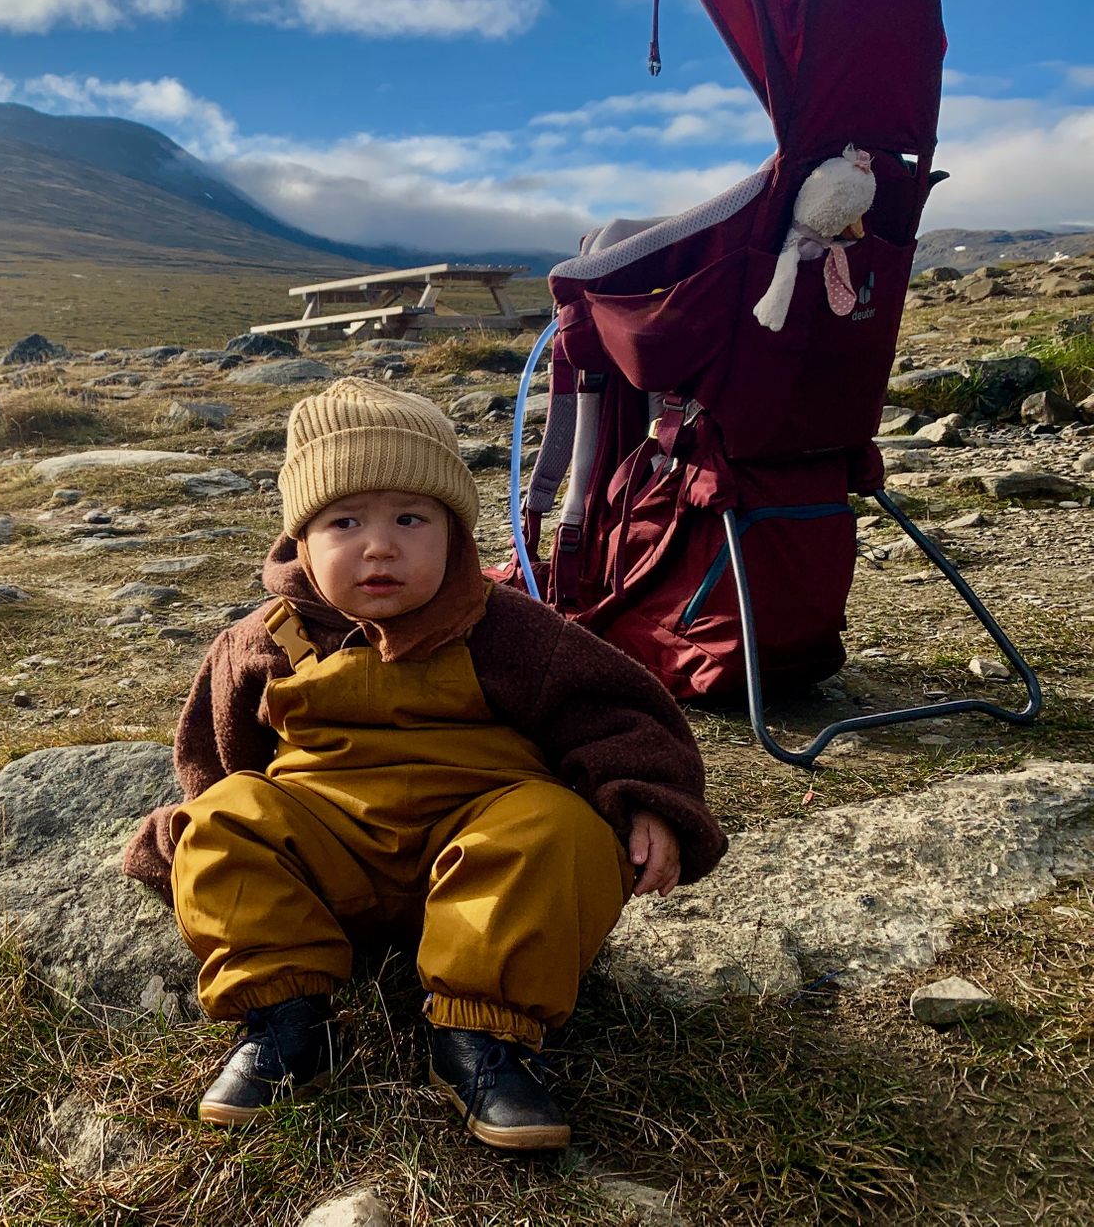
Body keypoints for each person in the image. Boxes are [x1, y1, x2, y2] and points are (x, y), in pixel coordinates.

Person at [121, 377, 727, 1151]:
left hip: (480, 849)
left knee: (559, 828)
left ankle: (482, 1039)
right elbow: (217, 754)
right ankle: (285, 1020)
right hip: (330, 855)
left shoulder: (507, 628)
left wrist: (646, 799)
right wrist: (213, 839)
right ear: (299, 540)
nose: (381, 546)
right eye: (346, 521)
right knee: (223, 820)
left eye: (412, 518)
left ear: (455, 533)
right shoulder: (261, 640)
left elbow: (617, 712)